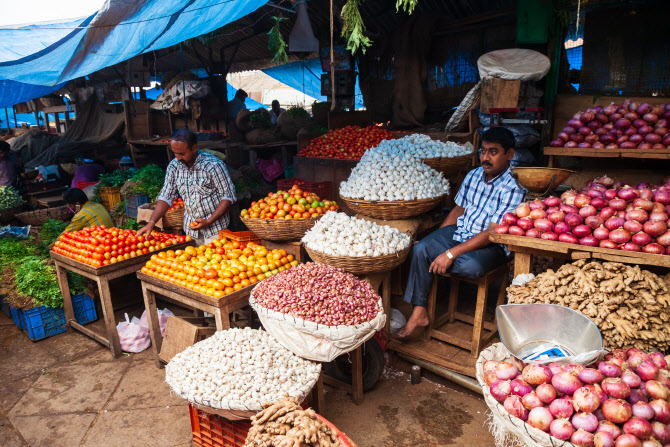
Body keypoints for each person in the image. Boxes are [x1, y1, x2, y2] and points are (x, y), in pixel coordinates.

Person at [398, 127, 525, 337]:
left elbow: (493, 232)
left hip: (491, 245)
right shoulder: (474, 175)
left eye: (493, 152)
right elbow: (458, 210)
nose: (485, 157)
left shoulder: (513, 187)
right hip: (461, 231)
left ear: (509, 155)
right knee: (421, 248)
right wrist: (436, 240)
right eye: (483, 151)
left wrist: (449, 254)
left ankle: (443, 268)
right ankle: (419, 312)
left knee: (470, 266)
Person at [137, 129, 236, 246]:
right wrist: (151, 222)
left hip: (215, 231)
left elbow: (228, 196)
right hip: (190, 231)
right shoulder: (174, 166)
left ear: (194, 148)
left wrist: (209, 221)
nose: (178, 158)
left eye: (182, 154)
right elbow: (166, 196)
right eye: (175, 153)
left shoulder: (213, 165)